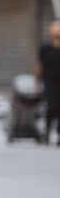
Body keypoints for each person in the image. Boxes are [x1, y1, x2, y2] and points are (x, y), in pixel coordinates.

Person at [37, 17, 60, 145]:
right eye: (55, 27)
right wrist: (36, 83)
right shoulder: (45, 47)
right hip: (49, 82)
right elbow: (39, 65)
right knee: (52, 107)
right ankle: (46, 130)